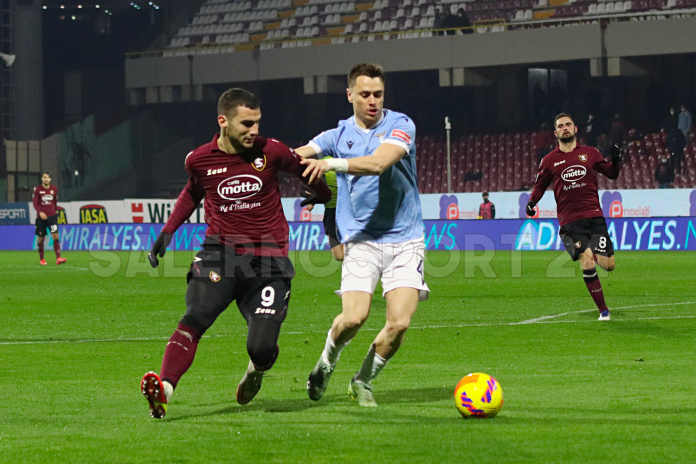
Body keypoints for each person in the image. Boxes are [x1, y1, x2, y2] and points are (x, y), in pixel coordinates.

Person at [140, 88, 331, 419]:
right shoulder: (198, 159)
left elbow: (309, 171)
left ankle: (256, 370)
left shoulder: (272, 151)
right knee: (196, 313)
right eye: (246, 123)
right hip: (220, 255)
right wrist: (168, 231)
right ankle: (165, 388)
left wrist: (324, 195)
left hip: (269, 261)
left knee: (261, 348)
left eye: (257, 123)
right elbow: (191, 193)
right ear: (223, 122)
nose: (254, 130)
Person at [295, 63, 429, 407]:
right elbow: (296, 156)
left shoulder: (400, 125)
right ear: (350, 94)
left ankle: (363, 381)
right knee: (354, 318)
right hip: (361, 239)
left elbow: (379, 162)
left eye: (378, 94)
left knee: (399, 322)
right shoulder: (336, 136)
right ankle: (326, 362)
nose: (373, 101)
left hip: (405, 239)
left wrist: (331, 164)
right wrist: (255, 162)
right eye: (365, 94)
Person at [526, 113, 621, 321]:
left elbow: (612, 174)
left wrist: (616, 159)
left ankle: (591, 252)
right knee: (586, 260)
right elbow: (540, 185)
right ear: (556, 132)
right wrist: (532, 202)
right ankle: (604, 311)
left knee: (609, 265)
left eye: (568, 124)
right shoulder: (549, 160)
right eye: (560, 126)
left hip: (594, 217)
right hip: (569, 221)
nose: (565, 128)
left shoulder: (591, 153)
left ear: (575, 129)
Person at [305, 159, 343, 260]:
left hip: (348, 210)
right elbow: (313, 183)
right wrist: (310, 201)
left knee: (346, 252)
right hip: (331, 212)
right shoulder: (322, 163)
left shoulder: (347, 159)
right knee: (339, 256)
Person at [32, 172, 67, 266]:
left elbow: (55, 202)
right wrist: (40, 212)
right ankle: (42, 259)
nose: (46, 179)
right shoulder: (37, 189)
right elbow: (35, 204)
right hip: (40, 218)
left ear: (50, 179)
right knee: (41, 238)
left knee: (55, 236)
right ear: (42, 179)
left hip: (52, 216)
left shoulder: (54, 189)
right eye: (44, 177)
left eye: (48, 177)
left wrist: (53, 212)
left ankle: (58, 258)